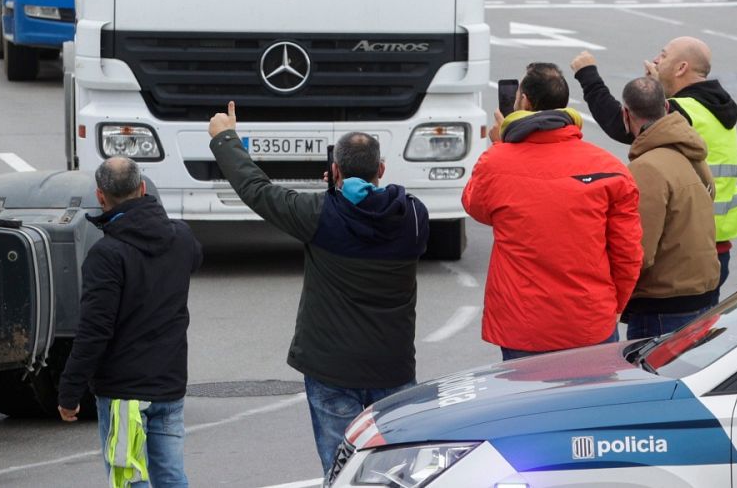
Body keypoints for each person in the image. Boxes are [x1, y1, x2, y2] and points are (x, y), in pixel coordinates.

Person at [207, 104, 429, 475]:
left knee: (340, 471)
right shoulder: (414, 218)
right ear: (381, 170)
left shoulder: (319, 215)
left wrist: (226, 139)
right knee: (398, 471)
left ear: (336, 170)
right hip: (392, 366)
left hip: (331, 369)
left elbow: (257, 190)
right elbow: (374, 213)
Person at [463, 62, 643, 360]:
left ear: (524, 102)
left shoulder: (496, 162)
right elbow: (628, 254)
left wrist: (499, 145)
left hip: (523, 324)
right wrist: (610, 306)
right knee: (588, 406)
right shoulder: (609, 167)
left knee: (527, 406)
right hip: (590, 321)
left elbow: (476, 207)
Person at [56, 157, 203, 488]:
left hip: (124, 395)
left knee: (129, 478)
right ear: (142, 188)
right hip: (169, 385)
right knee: (172, 477)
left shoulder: (107, 255)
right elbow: (195, 256)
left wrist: (69, 390)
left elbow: (94, 332)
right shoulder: (179, 238)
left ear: (100, 196)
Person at [573, 39, 737, 288]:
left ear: (681, 68)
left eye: (663, 56)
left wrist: (588, 76)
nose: (655, 60)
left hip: (686, 247)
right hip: (714, 243)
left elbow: (622, 124)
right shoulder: (714, 106)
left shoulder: (682, 110)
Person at [618, 76, 722, 338]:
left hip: (664, 305)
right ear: (665, 108)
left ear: (626, 114)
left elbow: (639, 251)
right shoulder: (692, 154)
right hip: (701, 294)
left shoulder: (646, 168)